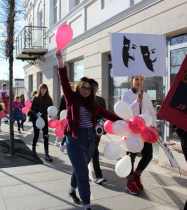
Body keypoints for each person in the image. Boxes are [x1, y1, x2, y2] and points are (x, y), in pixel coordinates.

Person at [56, 50, 123, 210]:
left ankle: (71, 190)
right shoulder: (71, 99)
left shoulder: (93, 104)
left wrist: (125, 122)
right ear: (79, 87)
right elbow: (64, 81)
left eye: (88, 88)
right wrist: (60, 62)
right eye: (83, 87)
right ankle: (87, 204)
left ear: (92, 91)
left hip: (91, 140)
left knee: (80, 169)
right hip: (75, 140)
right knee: (83, 172)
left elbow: (108, 114)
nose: (85, 90)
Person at [121, 75, 156, 195]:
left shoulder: (146, 95)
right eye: (136, 79)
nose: (139, 82)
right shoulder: (126, 94)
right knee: (131, 157)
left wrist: (154, 125)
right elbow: (125, 111)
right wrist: (137, 102)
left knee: (148, 155)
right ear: (132, 80)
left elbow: (151, 112)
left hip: (145, 130)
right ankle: (129, 182)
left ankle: (137, 175)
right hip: (132, 131)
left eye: (141, 80)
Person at [29, 84, 54, 162]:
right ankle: (33, 149)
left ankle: (46, 154)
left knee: (46, 136)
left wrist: (51, 114)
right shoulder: (36, 98)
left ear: (46, 90)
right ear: (40, 89)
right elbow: (31, 109)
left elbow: (51, 109)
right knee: (36, 135)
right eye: (42, 88)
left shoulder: (49, 99)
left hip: (44, 119)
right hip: (36, 120)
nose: (43, 89)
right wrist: (35, 113)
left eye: (45, 88)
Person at [92, 80, 107, 185]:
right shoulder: (84, 100)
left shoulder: (101, 100)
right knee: (92, 151)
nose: (94, 89)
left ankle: (98, 176)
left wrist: (102, 124)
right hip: (86, 129)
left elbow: (104, 114)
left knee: (94, 150)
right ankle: (98, 175)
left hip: (98, 130)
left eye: (95, 87)